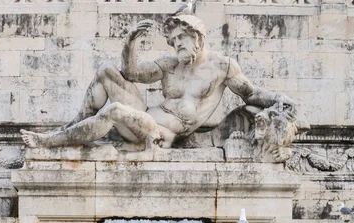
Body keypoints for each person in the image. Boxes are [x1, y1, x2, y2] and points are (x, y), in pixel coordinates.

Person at [21, 15, 296, 151]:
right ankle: (73, 128)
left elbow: (250, 93)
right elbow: (131, 74)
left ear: (196, 36)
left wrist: (279, 100)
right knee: (106, 71)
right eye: (173, 41)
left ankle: (51, 142)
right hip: (143, 116)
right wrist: (129, 43)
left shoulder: (223, 67)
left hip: (160, 132)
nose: (176, 44)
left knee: (114, 110)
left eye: (180, 38)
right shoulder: (169, 64)